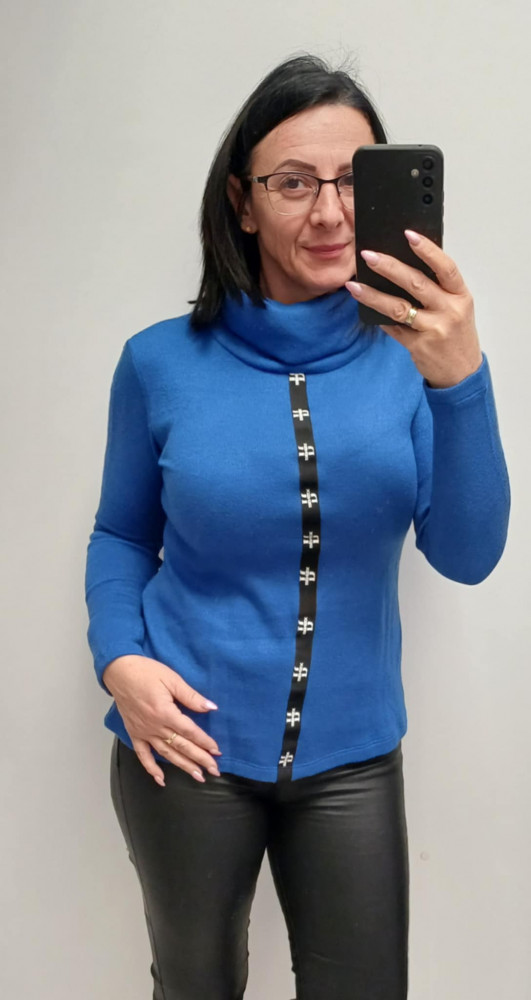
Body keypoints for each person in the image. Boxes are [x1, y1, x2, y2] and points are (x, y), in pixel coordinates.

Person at [84, 53, 510, 1000]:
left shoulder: (413, 359)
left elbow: (468, 554)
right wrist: (119, 661)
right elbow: (121, 536)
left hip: (353, 758)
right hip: (184, 745)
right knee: (194, 985)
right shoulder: (157, 363)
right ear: (242, 202)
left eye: (354, 181)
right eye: (292, 182)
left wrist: (461, 379)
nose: (329, 213)